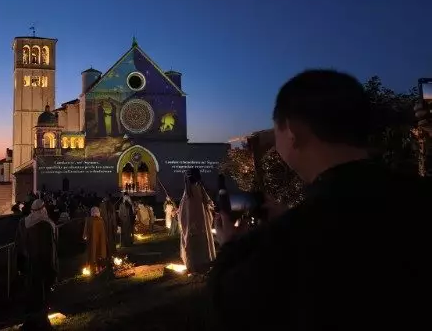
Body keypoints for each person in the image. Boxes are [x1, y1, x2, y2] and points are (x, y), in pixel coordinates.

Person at [208, 69, 430, 330]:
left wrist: (231, 245)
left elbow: (229, 303)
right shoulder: (416, 197)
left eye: (275, 130)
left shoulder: (290, 242)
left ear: (292, 130)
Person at [21, 199, 58, 330]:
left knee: (32, 294)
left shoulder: (24, 223)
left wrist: (20, 265)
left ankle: (31, 322)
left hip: (30, 266)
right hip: (45, 265)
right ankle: (42, 322)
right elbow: (54, 246)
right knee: (43, 294)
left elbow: (19, 246)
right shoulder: (49, 225)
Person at [177, 168, 216, 274]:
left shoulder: (189, 193)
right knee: (202, 245)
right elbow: (210, 204)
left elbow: (183, 212)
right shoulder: (198, 190)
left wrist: (180, 214)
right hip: (201, 225)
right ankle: (204, 264)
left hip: (192, 226)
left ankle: (195, 266)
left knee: (193, 246)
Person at [83, 207, 107, 275]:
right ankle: (98, 268)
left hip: (92, 241)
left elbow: (86, 229)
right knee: (98, 254)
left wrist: (85, 236)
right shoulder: (100, 220)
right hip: (99, 241)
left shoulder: (89, 220)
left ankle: (94, 269)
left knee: (93, 254)